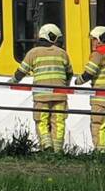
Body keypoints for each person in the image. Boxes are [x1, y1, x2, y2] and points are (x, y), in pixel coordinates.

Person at [10, 23, 73, 152]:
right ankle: (58, 150)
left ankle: (46, 145)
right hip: (60, 95)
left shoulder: (33, 53)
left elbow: (21, 72)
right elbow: (69, 73)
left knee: (42, 120)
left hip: (41, 95)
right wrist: (65, 86)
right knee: (59, 121)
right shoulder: (63, 54)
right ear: (52, 37)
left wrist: (11, 82)